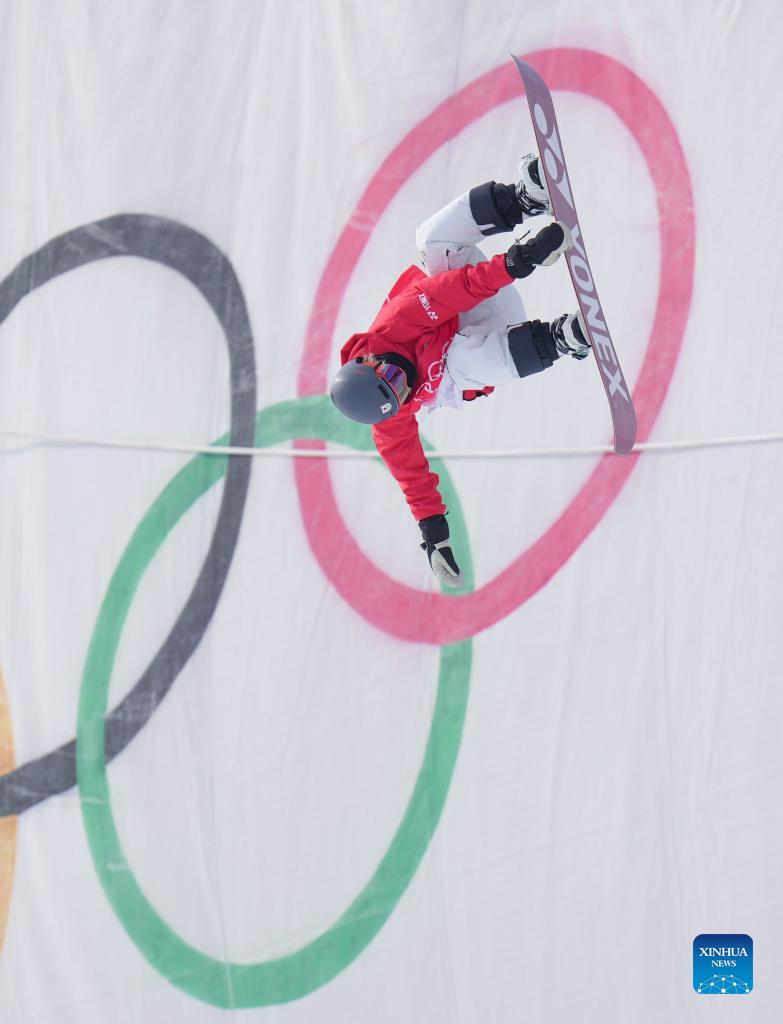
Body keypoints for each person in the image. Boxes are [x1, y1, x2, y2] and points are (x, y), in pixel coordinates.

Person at [329, 154, 590, 588]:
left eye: (393, 377)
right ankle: (558, 339)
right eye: (399, 392)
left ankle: (523, 199)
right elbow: (412, 477)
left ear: (370, 362)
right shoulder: (393, 416)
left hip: (469, 301)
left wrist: (518, 260)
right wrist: (435, 537)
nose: (405, 384)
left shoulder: (395, 325)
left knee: (432, 238)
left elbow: (457, 289)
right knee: (456, 368)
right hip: (490, 344)